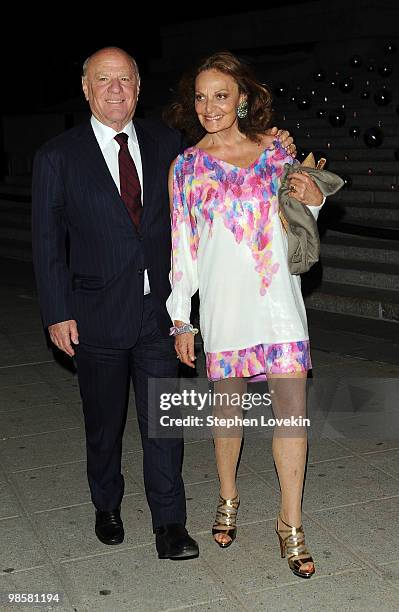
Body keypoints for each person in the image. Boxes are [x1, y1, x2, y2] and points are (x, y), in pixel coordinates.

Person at [31, 46, 294, 561]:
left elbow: (228, 149)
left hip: (158, 314)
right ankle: (107, 503)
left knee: (164, 426)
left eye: (124, 79)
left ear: (137, 88)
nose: (114, 89)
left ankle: (170, 523)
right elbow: (46, 243)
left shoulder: (169, 143)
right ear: (86, 89)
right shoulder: (56, 156)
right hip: (95, 316)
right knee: (104, 425)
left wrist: (275, 138)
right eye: (103, 80)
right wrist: (57, 312)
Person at [166, 51, 324, 578]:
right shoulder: (186, 167)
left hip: (278, 303)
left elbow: (298, 217)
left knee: (291, 417)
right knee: (227, 411)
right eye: (201, 96)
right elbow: (182, 250)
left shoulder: (276, 153)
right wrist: (182, 318)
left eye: (221, 95)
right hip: (225, 307)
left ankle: (291, 524)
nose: (209, 106)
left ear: (243, 100)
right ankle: (228, 497)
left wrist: (311, 196)